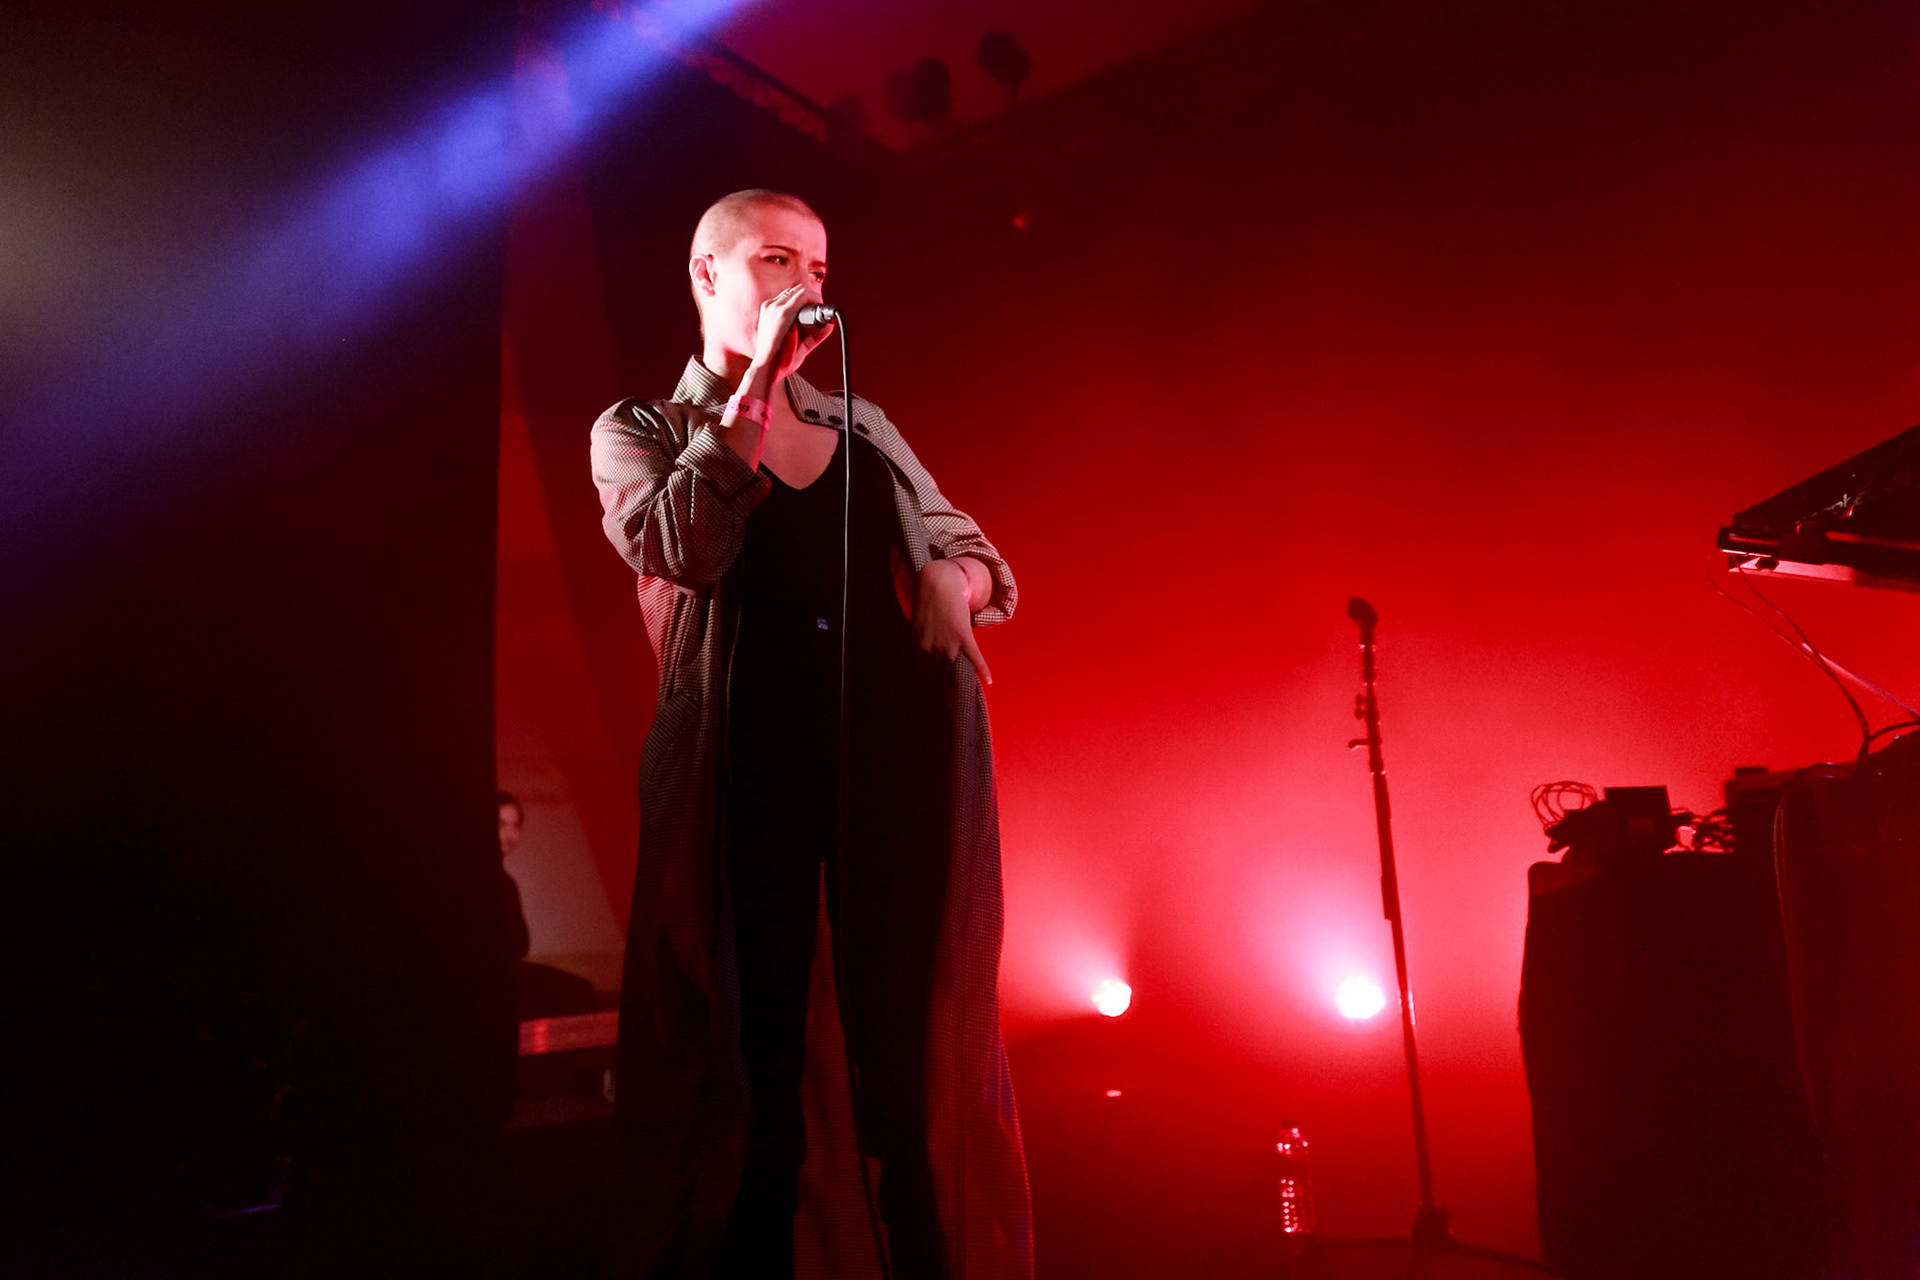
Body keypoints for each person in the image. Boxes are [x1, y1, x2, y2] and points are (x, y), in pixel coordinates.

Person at [589, 190, 1031, 1279]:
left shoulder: (859, 424)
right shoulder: (642, 427)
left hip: (891, 781)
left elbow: (987, 556)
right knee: (754, 1082)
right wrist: (754, 389)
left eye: (821, 267)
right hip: (744, 801)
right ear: (707, 276)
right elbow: (678, 544)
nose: (807, 285)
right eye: (778, 258)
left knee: (907, 1073)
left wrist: (951, 578)